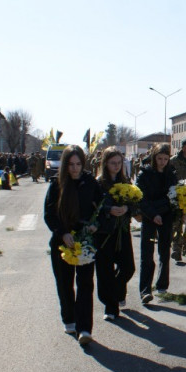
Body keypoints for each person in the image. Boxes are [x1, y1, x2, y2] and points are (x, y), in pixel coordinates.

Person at [43, 145, 102, 345]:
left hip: (85, 241)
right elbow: (49, 214)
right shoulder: (57, 185)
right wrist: (62, 232)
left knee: (85, 284)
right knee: (64, 283)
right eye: (71, 164)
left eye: (78, 164)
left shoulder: (91, 183)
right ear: (65, 165)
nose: (75, 169)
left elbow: (101, 208)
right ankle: (69, 319)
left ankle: (84, 328)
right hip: (62, 242)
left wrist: (95, 225)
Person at [94, 147, 136, 321]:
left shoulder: (126, 181)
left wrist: (127, 208)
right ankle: (110, 307)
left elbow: (135, 202)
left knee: (128, 268)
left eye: (119, 163)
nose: (117, 166)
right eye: (113, 163)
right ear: (105, 164)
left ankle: (116, 293)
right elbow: (93, 206)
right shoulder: (98, 183)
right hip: (104, 233)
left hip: (122, 231)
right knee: (105, 271)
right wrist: (109, 209)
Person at [136, 143, 175, 303]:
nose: (162, 162)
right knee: (147, 253)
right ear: (154, 158)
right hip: (149, 217)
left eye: (165, 159)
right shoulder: (144, 174)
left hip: (165, 216)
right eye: (159, 158)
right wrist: (153, 215)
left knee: (164, 250)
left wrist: (164, 211)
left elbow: (173, 196)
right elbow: (140, 198)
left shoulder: (171, 174)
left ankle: (162, 284)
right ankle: (145, 290)